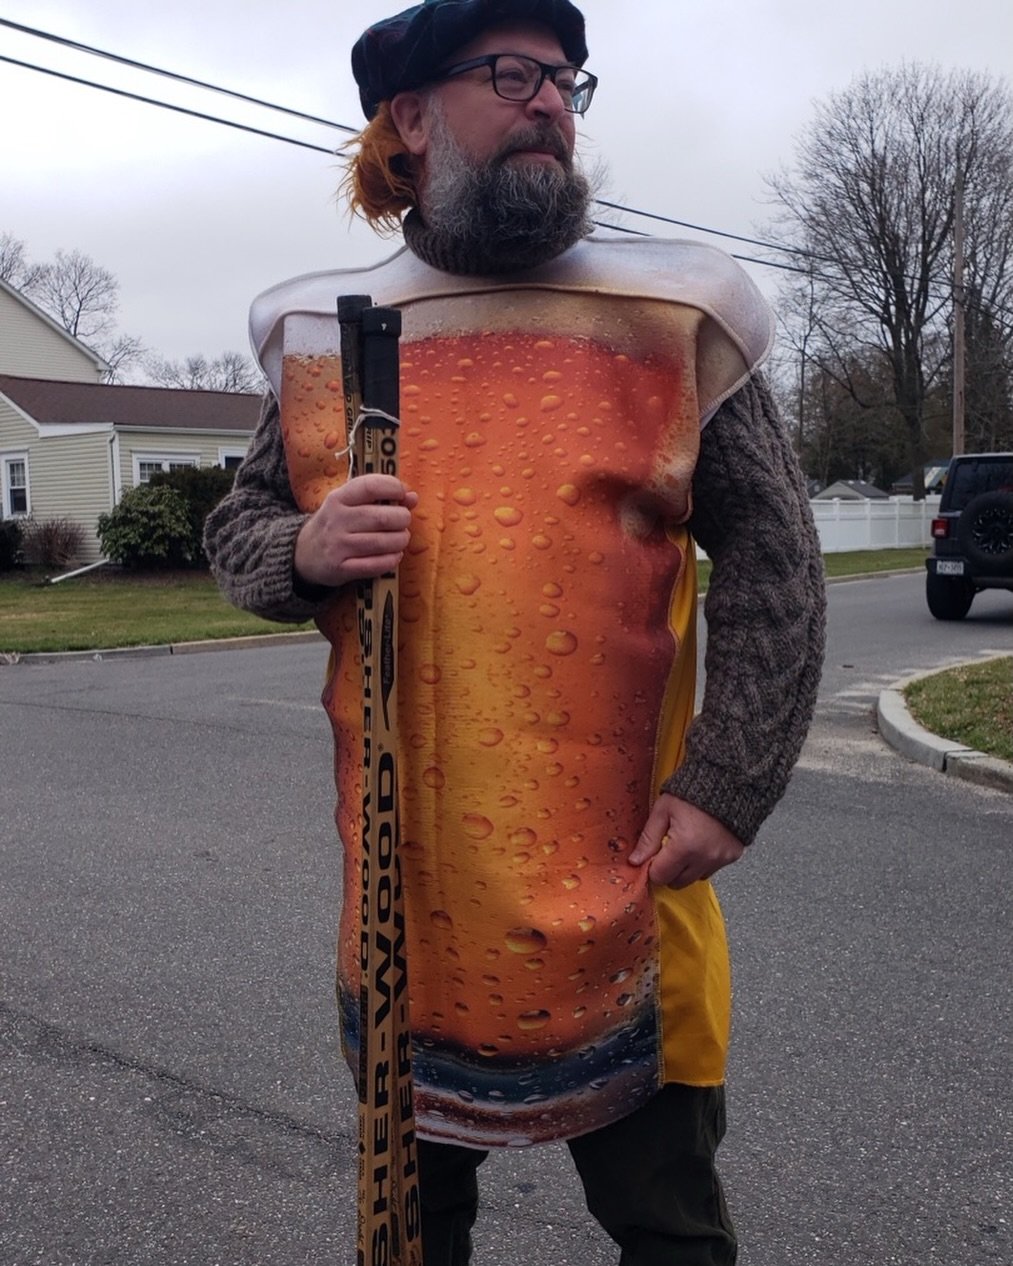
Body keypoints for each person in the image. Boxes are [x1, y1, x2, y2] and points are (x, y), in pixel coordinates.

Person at [204, 2, 826, 1262]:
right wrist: (302, 553)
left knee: (665, 1224)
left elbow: (775, 559)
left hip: (629, 879)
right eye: (509, 75)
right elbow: (242, 527)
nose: (550, 102)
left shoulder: (678, 312)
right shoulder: (324, 330)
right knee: (410, 1222)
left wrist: (727, 785)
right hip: (402, 891)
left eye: (565, 81)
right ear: (411, 120)